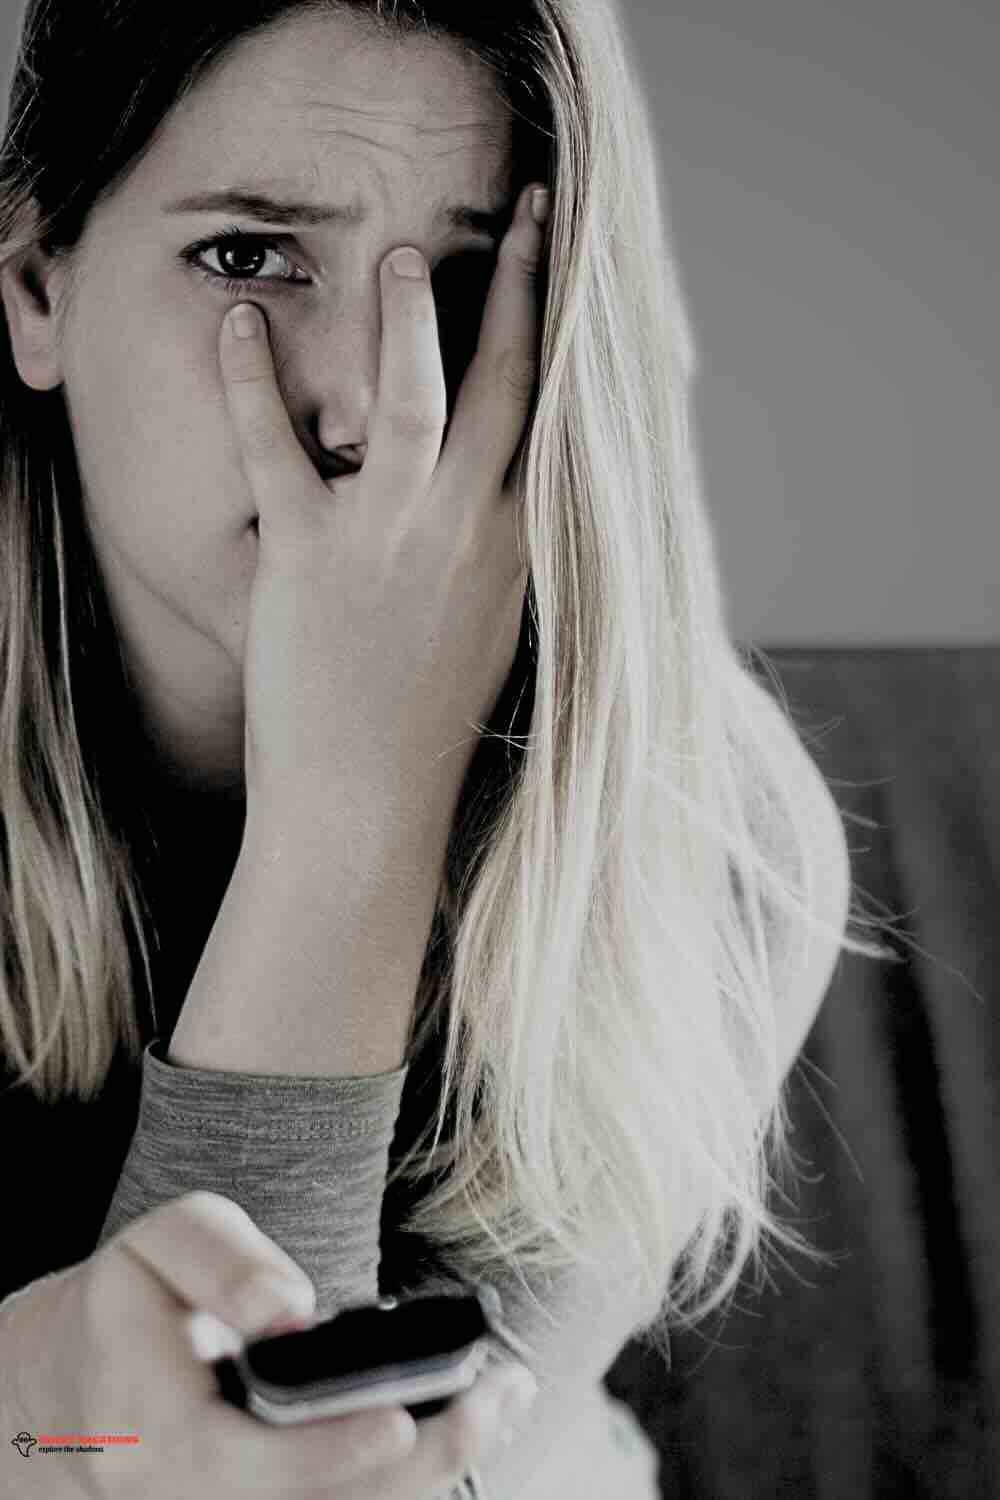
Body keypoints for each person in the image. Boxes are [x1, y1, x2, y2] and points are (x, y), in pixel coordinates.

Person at [0, 1, 891, 1496]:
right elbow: (97, 1461)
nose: (367, 403)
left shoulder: (705, 834)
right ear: (35, 284)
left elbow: (296, 1481)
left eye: (469, 279)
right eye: (248, 256)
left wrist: (352, 810)